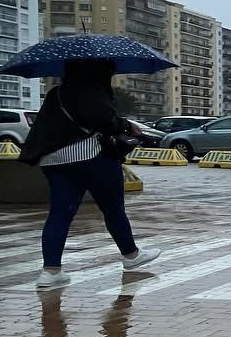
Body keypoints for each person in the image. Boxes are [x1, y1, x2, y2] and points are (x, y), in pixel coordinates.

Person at [21, 58, 159, 288]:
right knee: (113, 209)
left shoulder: (57, 94)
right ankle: (131, 255)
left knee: (60, 214)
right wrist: (126, 125)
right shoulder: (92, 90)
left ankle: (51, 271)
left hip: (54, 160)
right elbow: (103, 119)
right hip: (91, 156)